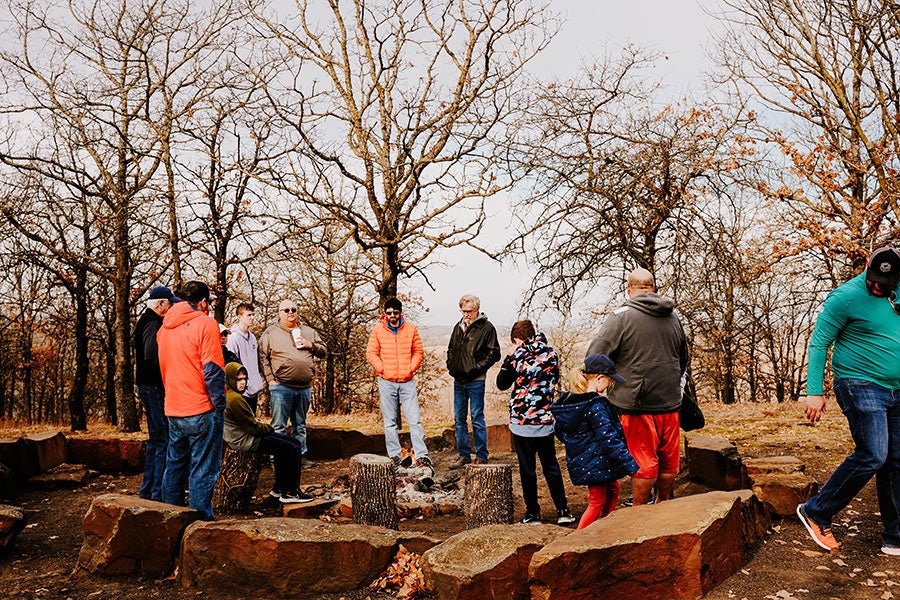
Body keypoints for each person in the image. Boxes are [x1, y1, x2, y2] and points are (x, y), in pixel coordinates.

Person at [797, 247, 900, 555]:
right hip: (858, 382)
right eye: (875, 279)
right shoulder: (844, 297)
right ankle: (817, 511)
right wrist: (814, 391)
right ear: (867, 266)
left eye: (888, 282)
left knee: (896, 460)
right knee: (873, 453)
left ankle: (895, 536)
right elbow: (819, 344)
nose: (879, 286)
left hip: (896, 389)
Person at [586, 268, 688, 505]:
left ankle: (640, 514)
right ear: (653, 288)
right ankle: (663, 504)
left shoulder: (621, 317)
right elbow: (683, 358)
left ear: (629, 289)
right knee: (668, 459)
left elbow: (594, 356)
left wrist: (611, 379)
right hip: (671, 401)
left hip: (636, 403)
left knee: (643, 461)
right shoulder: (673, 318)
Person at [157, 280, 225, 521]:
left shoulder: (163, 329)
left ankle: (169, 520)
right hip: (201, 407)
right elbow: (213, 370)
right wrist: (220, 404)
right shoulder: (206, 324)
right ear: (203, 302)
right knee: (202, 468)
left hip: (173, 407)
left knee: (174, 466)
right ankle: (199, 526)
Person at [495, 320, 574, 525]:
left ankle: (533, 513)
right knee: (551, 466)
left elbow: (501, 384)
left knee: (527, 469)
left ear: (517, 339)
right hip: (546, 418)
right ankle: (563, 510)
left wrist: (510, 356)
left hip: (522, 421)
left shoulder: (518, 356)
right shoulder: (551, 354)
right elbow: (553, 379)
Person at [551, 354, 639, 529]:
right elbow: (609, 437)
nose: (611, 384)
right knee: (597, 501)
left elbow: (560, 432)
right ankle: (578, 540)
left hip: (592, 460)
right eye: (610, 380)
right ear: (600, 378)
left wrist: (578, 444)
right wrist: (629, 464)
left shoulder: (569, 403)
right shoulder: (595, 405)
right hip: (594, 462)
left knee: (613, 488)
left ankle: (605, 527)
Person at [223, 361, 312, 503]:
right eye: (238, 379)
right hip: (246, 440)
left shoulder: (233, 395)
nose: (242, 383)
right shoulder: (234, 399)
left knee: (290, 444)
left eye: (244, 379)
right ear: (230, 379)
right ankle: (290, 492)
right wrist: (269, 428)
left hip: (247, 436)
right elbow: (252, 427)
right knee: (292, 448)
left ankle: (278, 489)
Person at [365, 298, 433, 473]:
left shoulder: (410, 329)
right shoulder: (378, 330)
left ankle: (422, 456)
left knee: (415, 420)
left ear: (400, 313)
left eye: (395, 312)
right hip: (386, 381)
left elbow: (418, 351)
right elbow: (371, 353)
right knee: (390, 422)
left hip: (407, 381)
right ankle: (395, 456)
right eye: (389, 313)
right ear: (385, 314)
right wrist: (382, 369)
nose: (392, 316)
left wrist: (410, 368)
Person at [259, 299, 327, 468]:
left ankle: (300, 457)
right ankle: (277, 459)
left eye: (293, 309)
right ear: (279, 312)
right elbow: (262, 357)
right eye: (286, 310)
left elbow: (324, 351)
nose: (290, 312)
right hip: (281, 386)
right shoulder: (270, 333)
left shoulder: (308, 331)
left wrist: (311, 345)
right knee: (278, 426)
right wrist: (270, 380)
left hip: (304, 386)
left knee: (300, 426)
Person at [133, 285, 178, 501]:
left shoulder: (147, 321)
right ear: (160, 303)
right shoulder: (152, 323)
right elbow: (152, 355)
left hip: (148, 386)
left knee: (156, 439)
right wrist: (167, 374)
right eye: (170, 303)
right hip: (153, 386)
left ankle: (149, 491)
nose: (171, 308)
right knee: (163, 439)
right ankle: (157, 493)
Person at [446, 294, 501, 469]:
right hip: (458, 380)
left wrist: (476, 368)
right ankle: (464, 455)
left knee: (477, 417)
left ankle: (482, 455)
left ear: (476, 309)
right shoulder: (458, 327)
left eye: (469, 311)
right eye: (463, 310)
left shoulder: (486, 328)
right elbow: (451, 349)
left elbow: (494, 353)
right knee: (459, 419)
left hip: (476, 380)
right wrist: (451, 366)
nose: (466, 314)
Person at [226, 303, 265, 414]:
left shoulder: (252, 337)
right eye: (248, 315)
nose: (252, 318)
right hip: (241, 389)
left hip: (253, 387)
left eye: (253, 314)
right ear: (239, 317)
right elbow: (232, 365)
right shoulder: (233, 338)